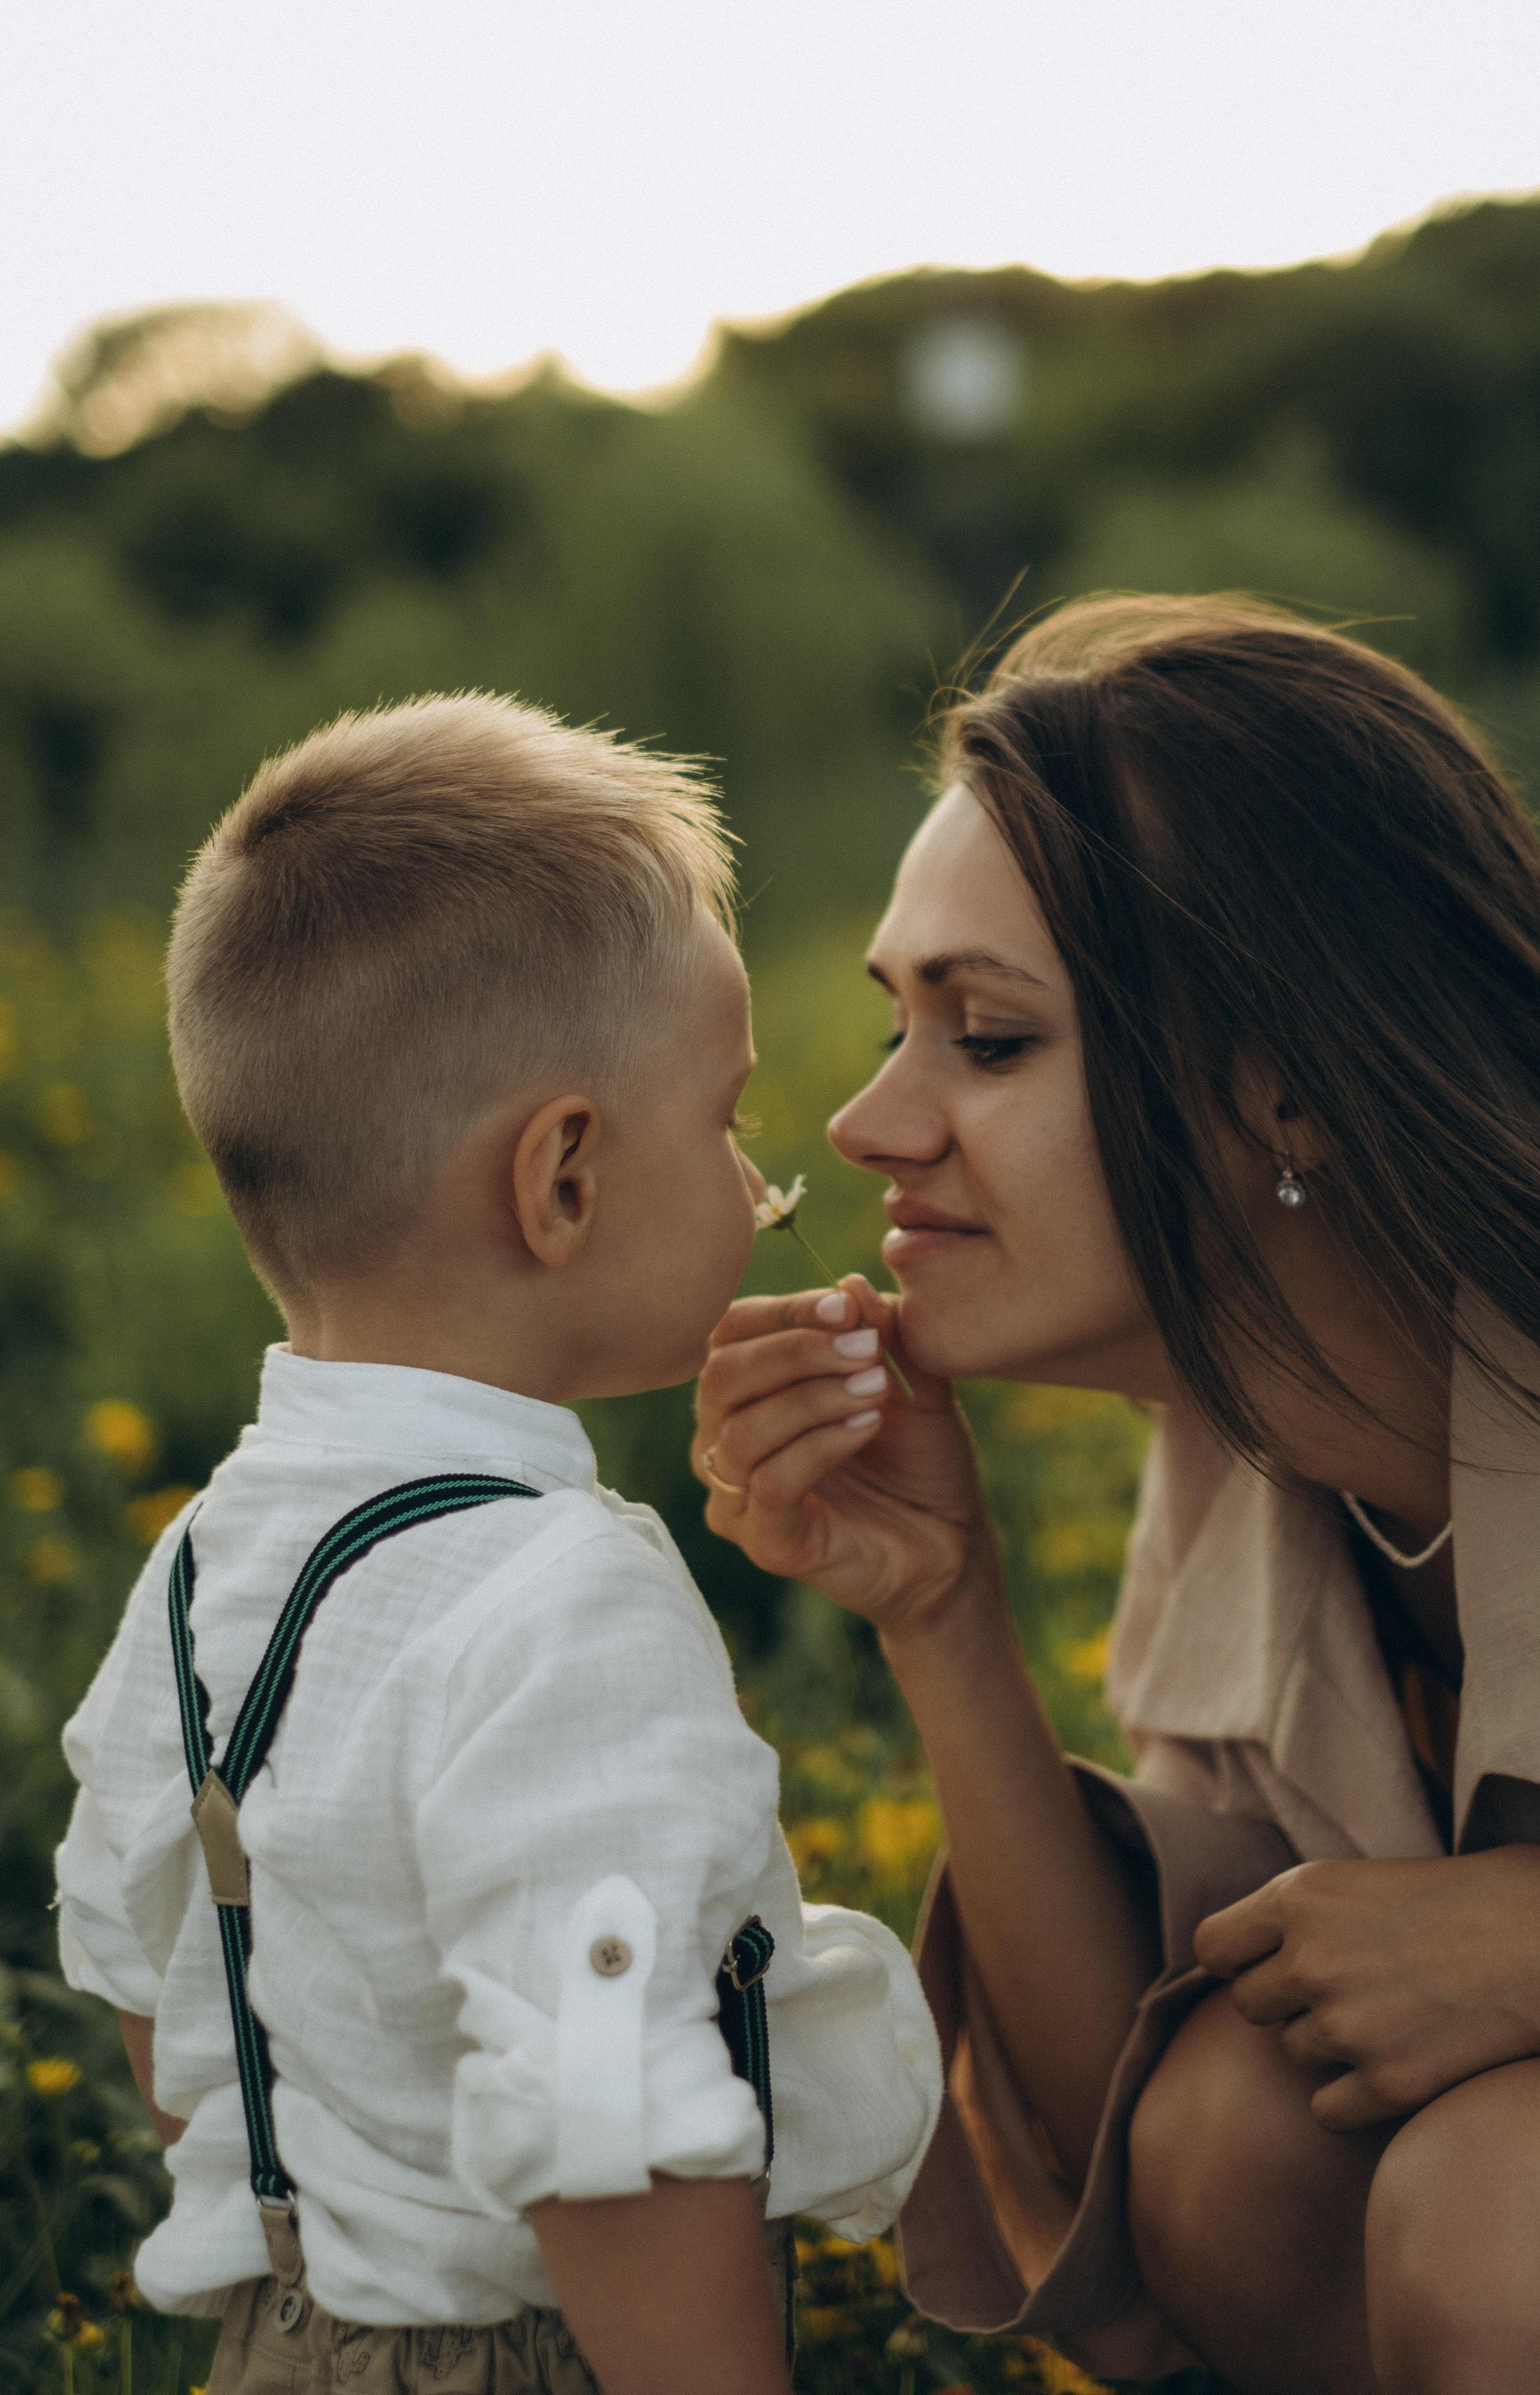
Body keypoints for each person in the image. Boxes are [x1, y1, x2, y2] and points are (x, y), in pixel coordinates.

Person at [694, 595, 1540, 2395]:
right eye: (898, 1025)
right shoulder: (1250, 1438)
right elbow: (1122, 2128)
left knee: (1520, 2200)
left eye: (985, 1041)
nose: (869, 1127)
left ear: (1284, 1087)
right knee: (1230, 2119)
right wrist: (942, 1610)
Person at [56, 696, 940, 2395]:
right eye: (726, 1123)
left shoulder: (200, 1566)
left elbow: (149, 1991)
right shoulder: (565, 1601)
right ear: (560, 1179)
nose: (762, 1185)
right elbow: (610, 2129)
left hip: (276, 2338)